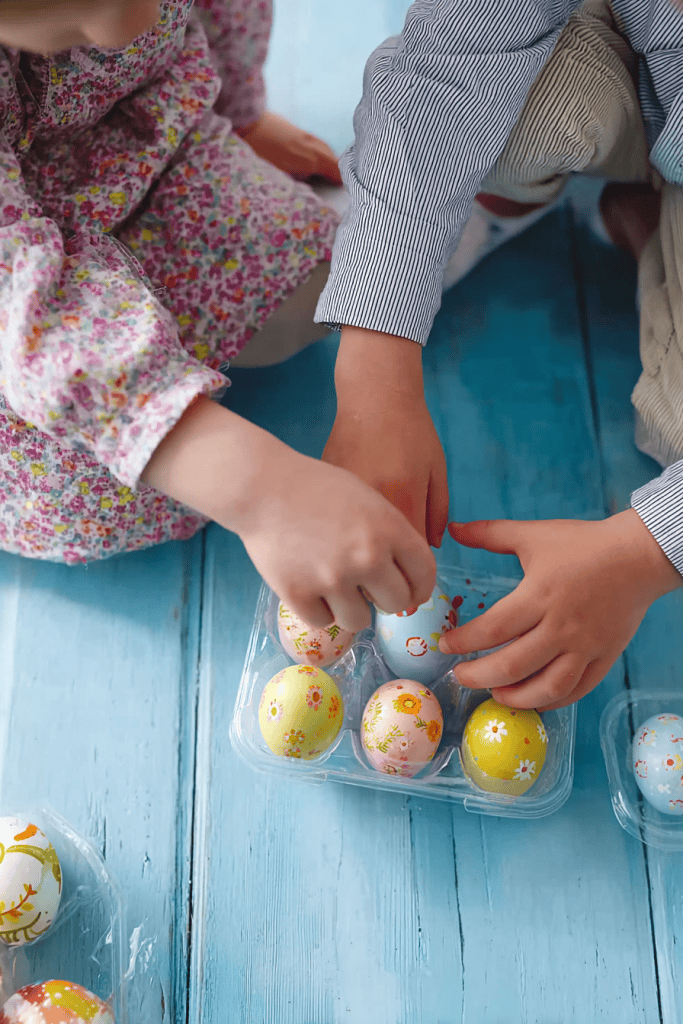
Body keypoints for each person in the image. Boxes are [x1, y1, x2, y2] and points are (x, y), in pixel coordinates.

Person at [0, 0, 437, 630]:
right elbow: (33, 316)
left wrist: (240, 114)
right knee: (94, 499)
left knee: (329, 270)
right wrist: (260, 488)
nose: (125, 29)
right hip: (22, 302)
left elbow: (228, 11)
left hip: (141, 159)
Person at [313, 0, 683, 711]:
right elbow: (443, 71)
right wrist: (375, 364)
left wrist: (646, 548)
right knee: (502, 114)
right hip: (654, 79)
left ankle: (654, 242)